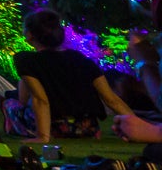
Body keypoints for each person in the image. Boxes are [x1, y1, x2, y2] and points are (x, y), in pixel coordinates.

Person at [8, 8, 133, 142]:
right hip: (88, 127)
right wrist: (136, 125)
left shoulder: (28, 61)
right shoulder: (80, 59)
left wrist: (43, 137)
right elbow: (111, 99)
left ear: (30, 35)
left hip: (55, 128)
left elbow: (40, 100)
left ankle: (26, 129)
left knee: (9, 104)